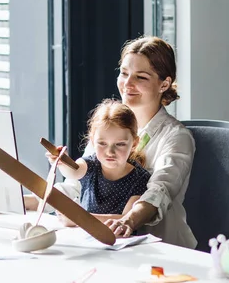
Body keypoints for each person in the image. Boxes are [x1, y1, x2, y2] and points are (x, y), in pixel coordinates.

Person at [25, 35, 197, 249]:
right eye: (124, 73)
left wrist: (128, 220)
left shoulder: (176, 137)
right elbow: (77, 187)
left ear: (164, 84)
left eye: (141, 77)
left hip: (161, 250)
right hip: (103, 245)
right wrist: (26, 202)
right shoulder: (108, 126)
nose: (127, 84)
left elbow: (160, 190)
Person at [49, 99, 151, 224]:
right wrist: (62, 161)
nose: (110, 152)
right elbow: (73, 171)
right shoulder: (91, 164)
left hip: (121, 240)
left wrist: (79, 218)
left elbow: (126, 219)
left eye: (120, 144)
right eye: (102, 143)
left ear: (134, 143)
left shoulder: (140, 178)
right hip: (86, 238)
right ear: (92, 141)